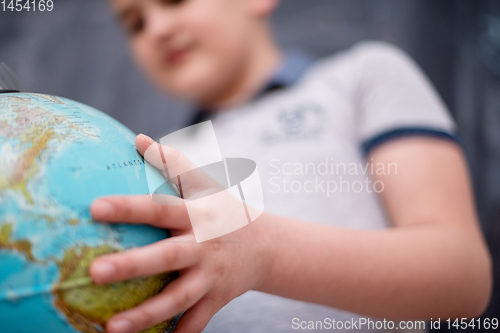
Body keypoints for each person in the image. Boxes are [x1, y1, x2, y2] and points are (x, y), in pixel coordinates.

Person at [88, 0, 493, 332]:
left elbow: (464, 275)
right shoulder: (169, 159)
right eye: (134, 23)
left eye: (174, 1)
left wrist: (263, 252)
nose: (156, 29)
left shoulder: (361, 78)